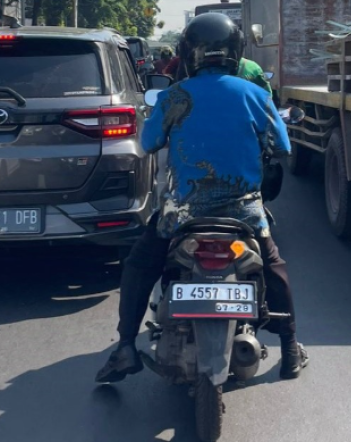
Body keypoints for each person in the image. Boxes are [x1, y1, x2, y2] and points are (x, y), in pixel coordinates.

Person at [95, 12, 308, 384]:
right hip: (245, 212)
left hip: (182, 213)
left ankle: (126, 345)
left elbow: (148, 144)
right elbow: (284, 146)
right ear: (235, 51)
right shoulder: (256, 93)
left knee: (141, 263)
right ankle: (290, 348)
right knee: (273, 264)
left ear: (189, 53)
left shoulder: (176, 95)